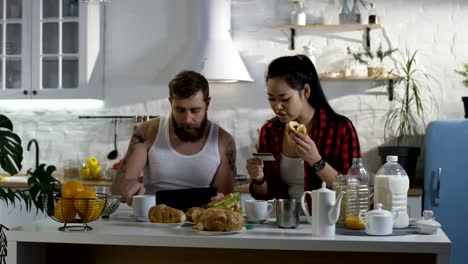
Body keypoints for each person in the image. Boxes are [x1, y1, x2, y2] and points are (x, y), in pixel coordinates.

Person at [112, 70, 236, 205]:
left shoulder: (224, 141)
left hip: (200, 221)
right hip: (153, 218)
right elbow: (118, 187)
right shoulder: (148, 132)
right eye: (180, 110)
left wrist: (221, 200)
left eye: (195, 110)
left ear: (208, 103)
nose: (187, 119)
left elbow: (225, 199)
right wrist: (128, 187)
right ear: (170, 102)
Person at [247, 55, 361, 201]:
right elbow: (265, 195)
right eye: (271, 98)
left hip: (326, 220)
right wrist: (258, 179)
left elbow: (353, 191)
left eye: (285, 99)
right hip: (284, 219)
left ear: (306, 91)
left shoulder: (341, 129)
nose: (277, 107)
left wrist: (316, 160)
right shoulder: (269, 131)